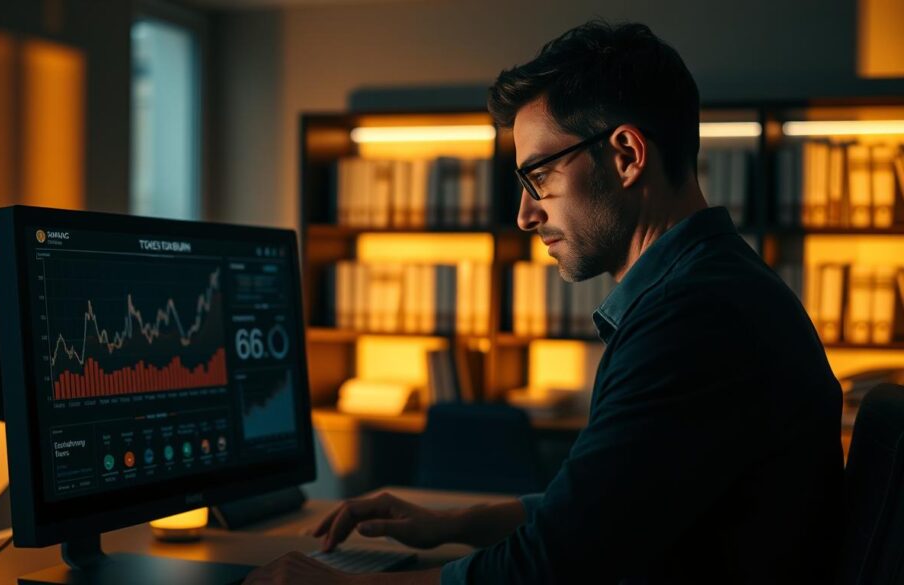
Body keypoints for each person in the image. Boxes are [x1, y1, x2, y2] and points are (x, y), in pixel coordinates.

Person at [246, 20, 843, 584]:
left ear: (627, 156)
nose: (525, 215)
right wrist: (457, 524)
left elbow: (551, 568)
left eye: (540, 178)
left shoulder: (694, 319)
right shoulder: (709, 288)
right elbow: (599, 511)